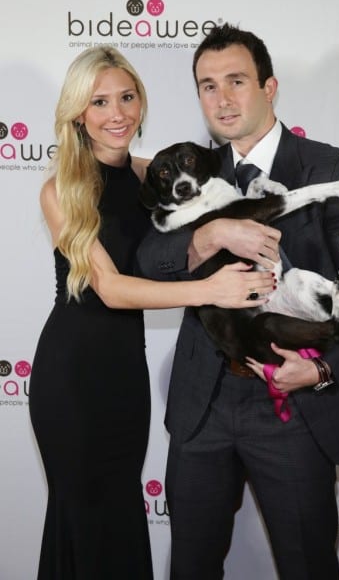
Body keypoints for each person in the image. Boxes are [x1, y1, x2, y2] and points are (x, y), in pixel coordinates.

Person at [136, 24, 339, 579]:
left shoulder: (327, 167)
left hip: (295, 405)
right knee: (191, 567)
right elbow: (148, 262)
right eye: (208, 86)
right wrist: (209, 236)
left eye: (236, 81)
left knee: (306, 565)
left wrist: (322, 367)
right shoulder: (191, 170)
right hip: (202, 402)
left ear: (269, 86)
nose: (222, 99)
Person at [28, 45, 276, 580]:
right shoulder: (61, 190)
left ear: (141, 102)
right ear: (78, 113)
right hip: (73, 375)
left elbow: (209, 219)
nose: (117, 113)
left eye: (127, 97)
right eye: (99, 102)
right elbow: (112, 289)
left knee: (120, 506)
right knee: (84, 511)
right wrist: (210, 291)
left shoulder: (152, 175)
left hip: (125, 373)